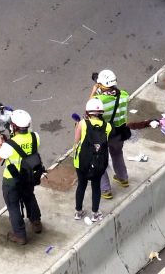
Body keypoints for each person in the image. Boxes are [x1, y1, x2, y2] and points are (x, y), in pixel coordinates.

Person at [0, 108, 43, 245]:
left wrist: (0, 143)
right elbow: (24, 145)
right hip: (29, 176)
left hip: (12, 180)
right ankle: (36, 223)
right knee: (29, 197)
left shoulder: (9, 145)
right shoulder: (35, 137)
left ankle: (20, 235)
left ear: (13, 126)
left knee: (13, 206)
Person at [92, 69, 132, 199]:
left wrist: (94, 91)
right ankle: (123, 178)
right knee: (117, 154)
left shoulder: (99, 100)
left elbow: (90, 110)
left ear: (101, 85)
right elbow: (115, 95)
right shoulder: (124, 95)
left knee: (99, 159)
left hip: (104, 135)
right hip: (120, 133)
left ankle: (105, 190)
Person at [73, 97, 112, 223]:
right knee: (96, 187)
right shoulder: (108, 127)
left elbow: (76, 141)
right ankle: (95, 214)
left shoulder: (82, 124)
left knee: (81, 185)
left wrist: (77, 127)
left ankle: (78, 212)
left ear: (87, 112)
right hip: (98, 162)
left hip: (81, 161)